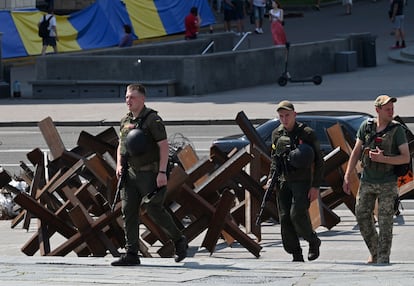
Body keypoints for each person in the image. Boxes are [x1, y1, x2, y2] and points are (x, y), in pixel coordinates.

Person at [111, 84, 188, 266]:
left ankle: (179, 240)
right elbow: (121, 145)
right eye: (127, 97)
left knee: (154, 209)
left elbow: (163, 146)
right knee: (128, 211)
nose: (128, 101)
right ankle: (132, 253)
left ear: (143, 99)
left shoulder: (153, 120)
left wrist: (162, 172)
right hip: (130, 174)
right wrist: (119, 165)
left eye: (133, 97)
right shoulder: (125, 121)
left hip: (150, 174)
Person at [343, 95, 410, 264]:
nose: (391, 111)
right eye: (387, 109)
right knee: (362, 215)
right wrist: (347, 175)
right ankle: (375, 251)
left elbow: (405, 158)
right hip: (367, 181)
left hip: (388, 183)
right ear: (377, 110)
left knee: (385, 221)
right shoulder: (366, 127)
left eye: (392, 108)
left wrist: (384, 159)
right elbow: (357, 151)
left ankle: (383, 258)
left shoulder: (397, 130)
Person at [268, 100, 324, 262]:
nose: (284, 119)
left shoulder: (307, 133)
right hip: (283, 181)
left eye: (287, 115)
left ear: (294, 115)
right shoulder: (277, 134)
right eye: (281, 116)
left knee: (297, 213)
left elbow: (320, 161)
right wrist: (272, 177)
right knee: (285, 217)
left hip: (302, 181)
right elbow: (274, 158)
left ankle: (313, 241)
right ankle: (295, 253)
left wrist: (315, 186)